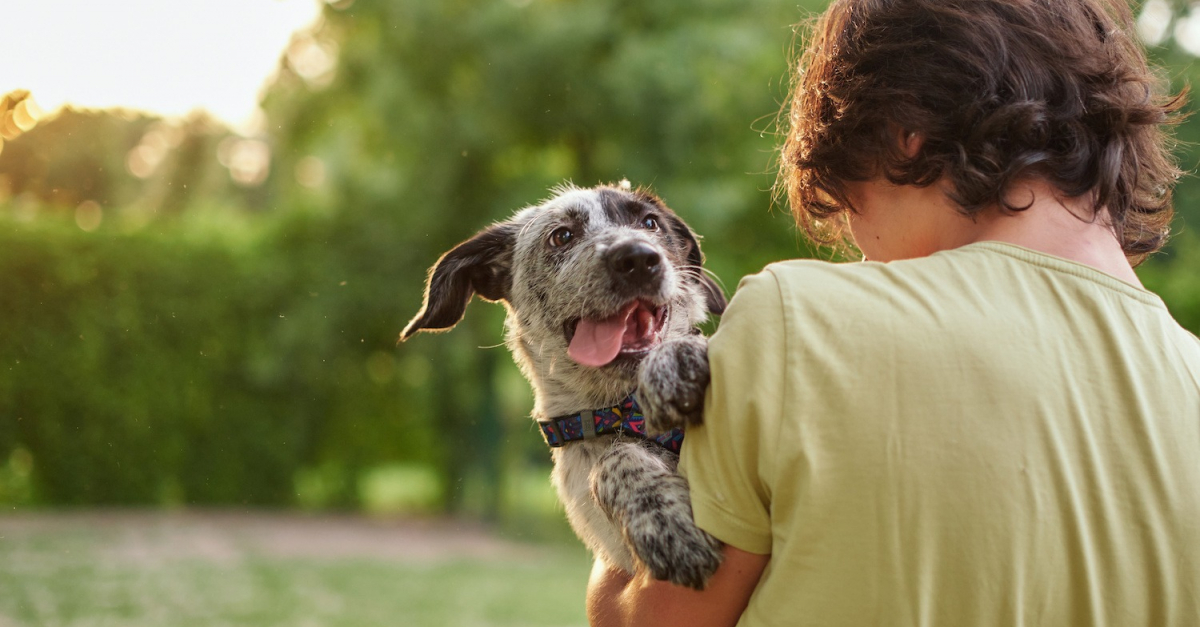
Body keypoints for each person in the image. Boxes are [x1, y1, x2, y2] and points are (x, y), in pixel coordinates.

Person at [586, 0, 1200, 625]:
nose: (859, 246)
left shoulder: (799, 324)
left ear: (906, 133)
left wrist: (622, 452)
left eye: (848, 203)